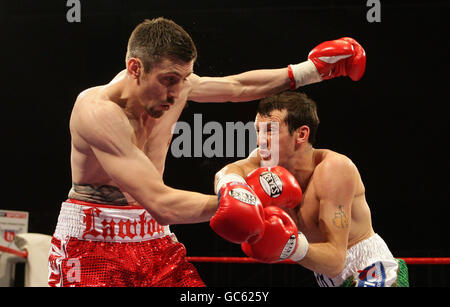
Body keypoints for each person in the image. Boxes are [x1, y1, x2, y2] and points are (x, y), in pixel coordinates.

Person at [48, 17, 366, 287]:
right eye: (168, 81)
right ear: (135, 68)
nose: (177, 93)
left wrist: (309, 71)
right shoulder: (98, 112)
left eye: (184, 79)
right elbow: (161, 203)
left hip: (154, 239)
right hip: (92, 243)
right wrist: (245, 199)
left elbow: (237, 87)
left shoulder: (179, 84)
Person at [214, 91, 409, 287]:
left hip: (370, 272)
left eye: (270, 131)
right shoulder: (265, 161)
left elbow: (335, 261)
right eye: (258, 131)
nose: (260, 141)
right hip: (328, 279)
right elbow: (227, 171)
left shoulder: (334, 169)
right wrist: (231, 184)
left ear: (301, 134)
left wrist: (290, 245)